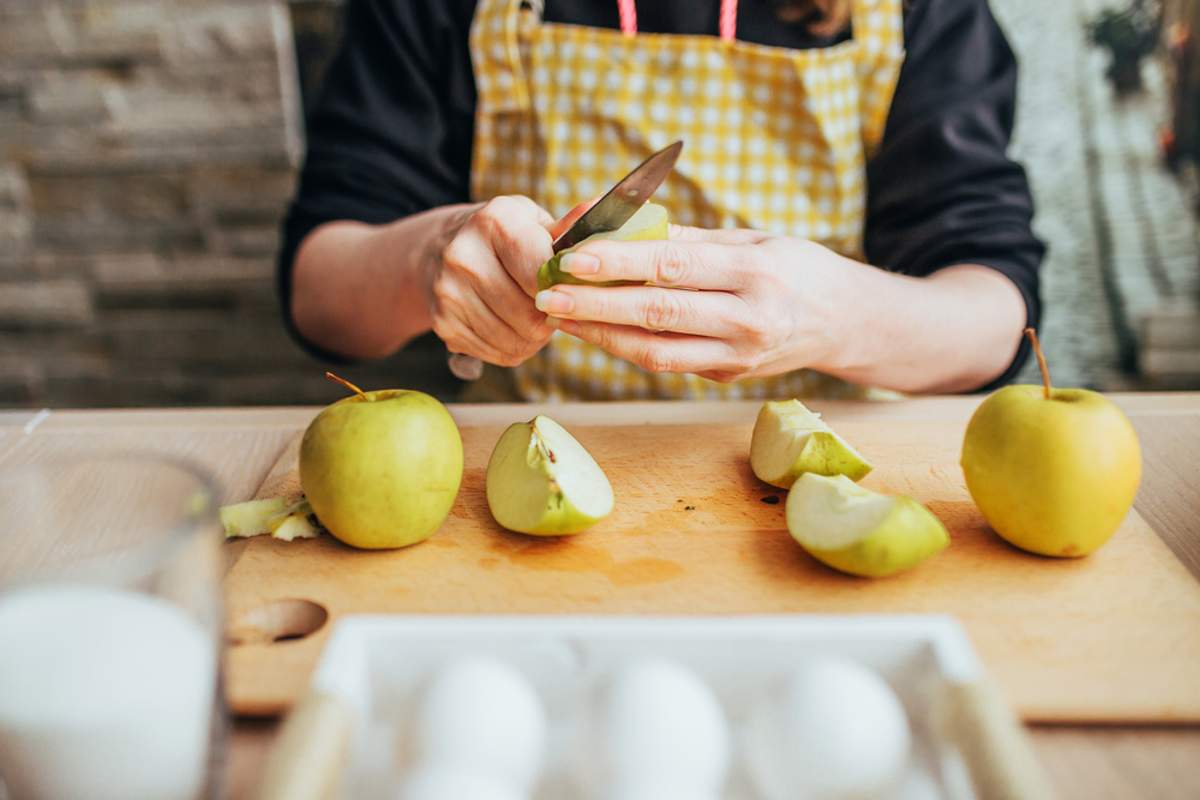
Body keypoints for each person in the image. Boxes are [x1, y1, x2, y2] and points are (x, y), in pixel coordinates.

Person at [280, 0, 1043, 401]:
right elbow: (319, 293)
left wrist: (836, 316)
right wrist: (425, 260)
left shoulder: (917, 10)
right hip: (524, 474)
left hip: (806, 491)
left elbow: (992, 315)